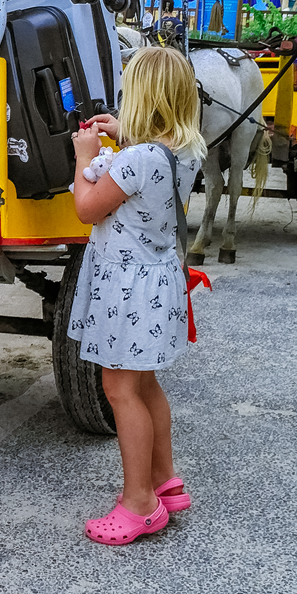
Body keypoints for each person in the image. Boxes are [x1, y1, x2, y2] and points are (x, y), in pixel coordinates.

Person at [68, 47, 206, 545]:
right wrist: (124, 136)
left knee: (119, 390)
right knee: (145, 384)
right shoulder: (184, 149)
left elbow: (87, 208)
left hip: (126, 289)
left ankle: (139, 503)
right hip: (156, 281)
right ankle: (164, 479)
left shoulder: (134, 160)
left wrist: (86, 157)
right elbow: (155, 156)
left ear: (141, 97)